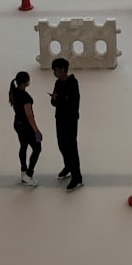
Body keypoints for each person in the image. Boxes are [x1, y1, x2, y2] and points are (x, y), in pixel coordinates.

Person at [50, 58, 82, 192]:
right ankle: (68, 165)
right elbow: (54, 102)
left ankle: (77, 177)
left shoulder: (73, 83)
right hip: (60, 118)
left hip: (70, 120)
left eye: (56, 70)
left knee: (71, 147)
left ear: (63, 69)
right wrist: (57, 100)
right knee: (61, 144)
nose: (54, 73)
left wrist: (59, 100)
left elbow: (73, 104)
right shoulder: (58, 83)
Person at [9, 71, 42, 187]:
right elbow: (29, 116)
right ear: (24, 82)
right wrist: (36, 130)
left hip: (17, 124)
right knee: (37, 148)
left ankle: (23, 170)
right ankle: (29, 174)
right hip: (26, 127)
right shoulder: (25, 97)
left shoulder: (14, 91)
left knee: (23, 146)